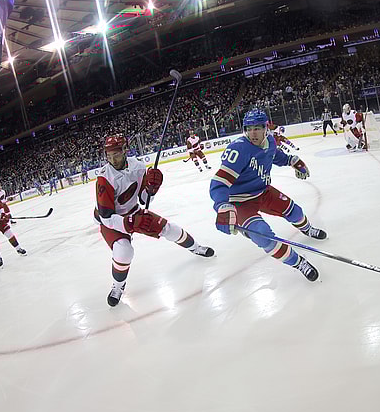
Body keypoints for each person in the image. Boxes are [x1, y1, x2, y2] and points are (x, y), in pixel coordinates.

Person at [94, 135, 214, 306]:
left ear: (125, 150)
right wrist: (128, 223)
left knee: (168, 229)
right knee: (124, 251)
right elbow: (106, 217)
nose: (113, 160)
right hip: (111, 220)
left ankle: (196, 248)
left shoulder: (138, 166)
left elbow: (144, 199)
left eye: (117, 154)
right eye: (109, 155)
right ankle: (118, 286)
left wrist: (152, 188)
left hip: (134, 212)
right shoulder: (104, 177)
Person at [209, 109, 326, 282]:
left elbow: (275, 155)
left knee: (295, 211)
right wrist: (222, 205)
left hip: (263, 191)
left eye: (257, 128)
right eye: (249, 129)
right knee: (263, 236)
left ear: (266, 128)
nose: (253, 133)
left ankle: (307, 229)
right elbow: (219, 183)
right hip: (240, 202)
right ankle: (298, 262)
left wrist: (292, 160)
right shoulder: (238, 149)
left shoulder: (270, 141)